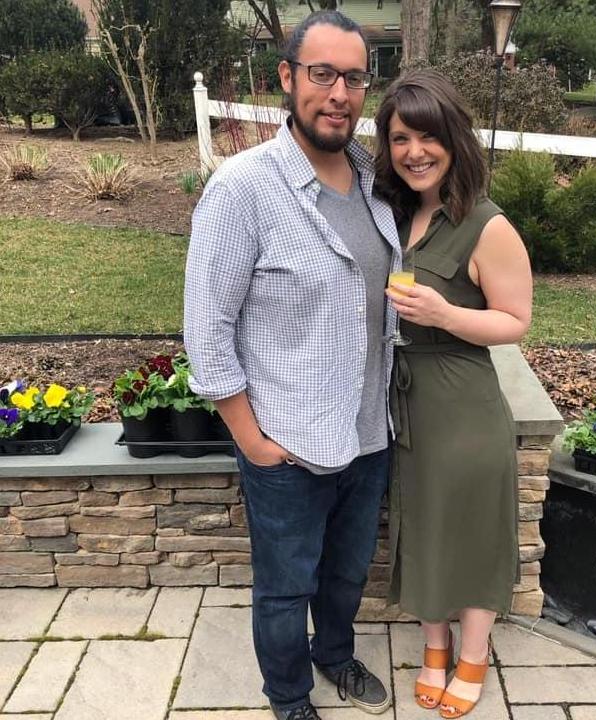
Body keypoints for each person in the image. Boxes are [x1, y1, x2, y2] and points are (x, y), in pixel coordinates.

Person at [184, 11, 401, 720]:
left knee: (346, 575)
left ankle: (334, 654)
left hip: (368, 434)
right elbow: (207, 330)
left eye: (354, 77)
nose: (339, 93)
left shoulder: (373, 182)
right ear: (287, 77)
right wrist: (252, 441)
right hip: (287, 443)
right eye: (322, 73)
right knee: (285, 590)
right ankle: (288, 697)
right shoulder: (243, 189)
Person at [374, 70, 533, 719]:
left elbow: (515, 320)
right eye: (400, 138)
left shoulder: (486, 225)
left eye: (428, 137)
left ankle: (472, 655)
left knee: (468, 529)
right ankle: (433, 646)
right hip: (406, 401)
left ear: (454, 140)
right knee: (422, 525)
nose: (414, 151)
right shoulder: (393, 214)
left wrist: (446, 314)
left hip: (462, 401)